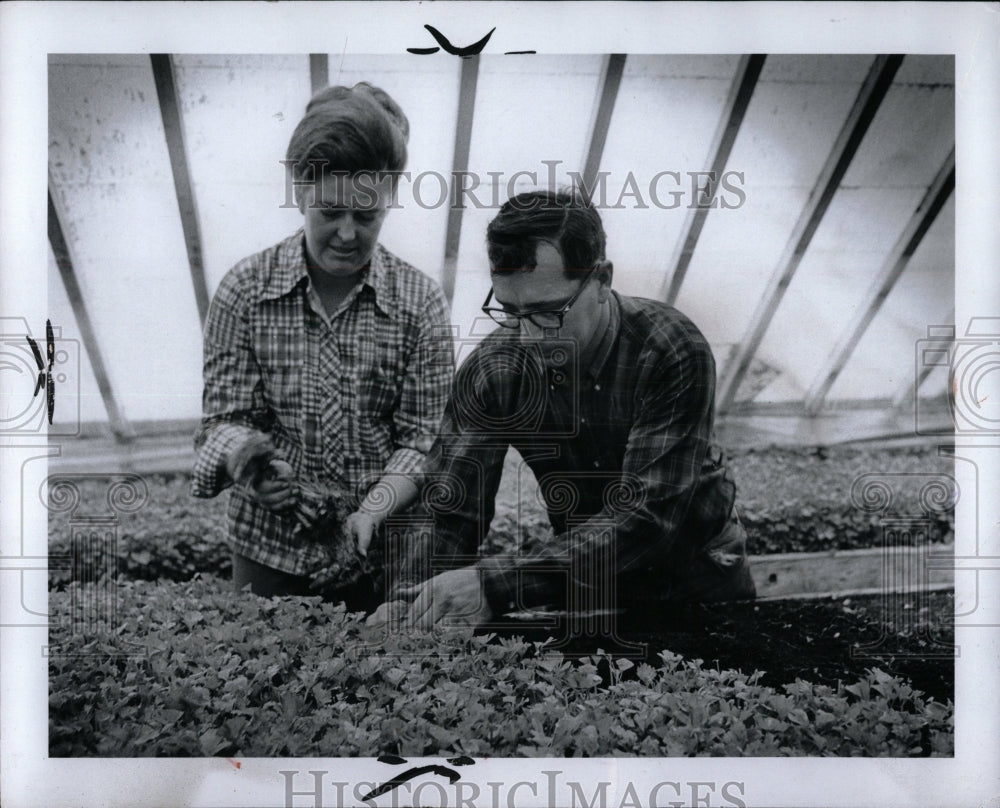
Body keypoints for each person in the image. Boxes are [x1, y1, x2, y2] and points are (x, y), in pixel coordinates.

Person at [391, 189, 755, 629]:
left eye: (548, 312)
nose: (527, 335)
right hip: (585, 582)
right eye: (510, 311)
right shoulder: (494, 370)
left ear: (601, 279)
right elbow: (451, 507)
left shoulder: (669, 349)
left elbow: (647, 517)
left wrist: (494, 585)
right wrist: (413, 598)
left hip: (700, 578)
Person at [191, 82, 454, 605]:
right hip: (269, 550)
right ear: (300, 191)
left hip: (376, 548)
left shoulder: (420, 301)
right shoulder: (246, 290)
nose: (348, 233)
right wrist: (250, 466)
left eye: (367, 215)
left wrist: (374, 509)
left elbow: (423, 442)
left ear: (390, 200)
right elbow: (223, 420)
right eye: (329, 211)